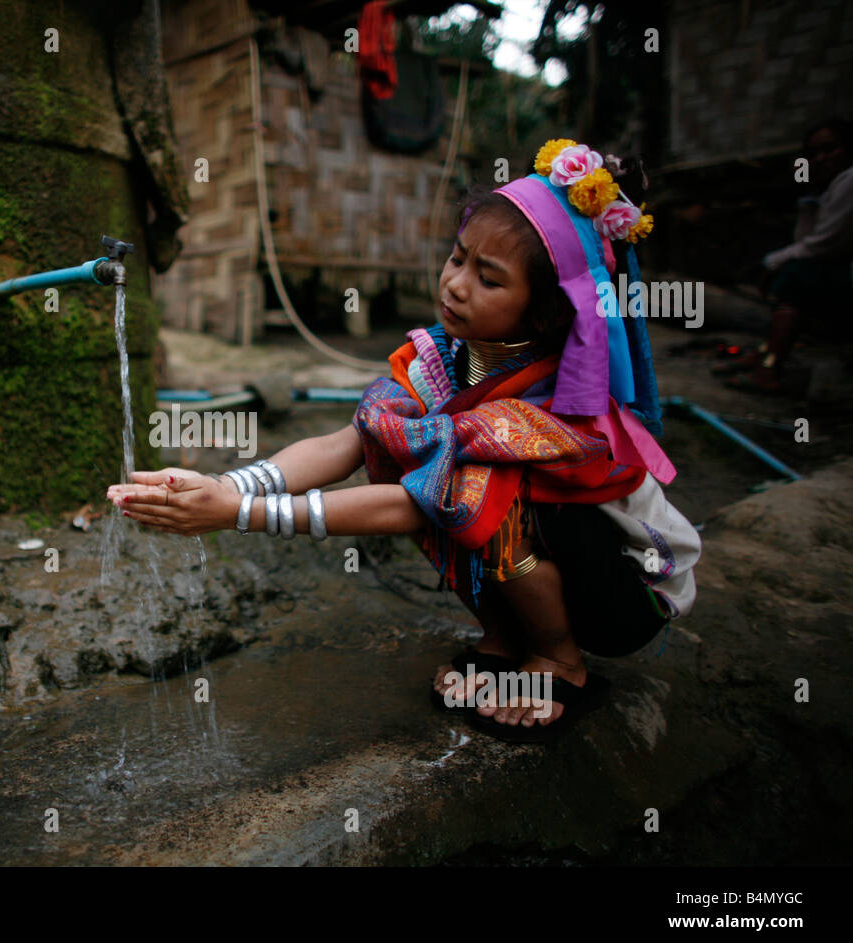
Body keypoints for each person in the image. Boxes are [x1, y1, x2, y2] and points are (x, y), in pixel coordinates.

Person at [107, 139, 700, 743]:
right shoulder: (443, 361)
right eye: (457, 258)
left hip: (624, 595)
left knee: (472, 492)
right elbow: (347, 441)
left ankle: (558, 661)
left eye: (488, 279)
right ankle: (505, 639)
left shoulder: (557, 407)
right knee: (406, 452)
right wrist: (228, 484)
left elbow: (415, 505)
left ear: (548, 314)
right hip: (557, 568)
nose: (456, 285)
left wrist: (238, 514)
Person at [717, 118, 853, 392]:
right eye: (813, 154)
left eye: (830, 150)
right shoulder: (831, 187)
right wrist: (809, 191)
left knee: (794, 278)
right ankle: (767, 351)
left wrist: (772, 262)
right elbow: (805, 239)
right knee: (793, 274)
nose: (822, 159)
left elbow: (822, 244)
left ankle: (769, 366)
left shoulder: (849, 181)